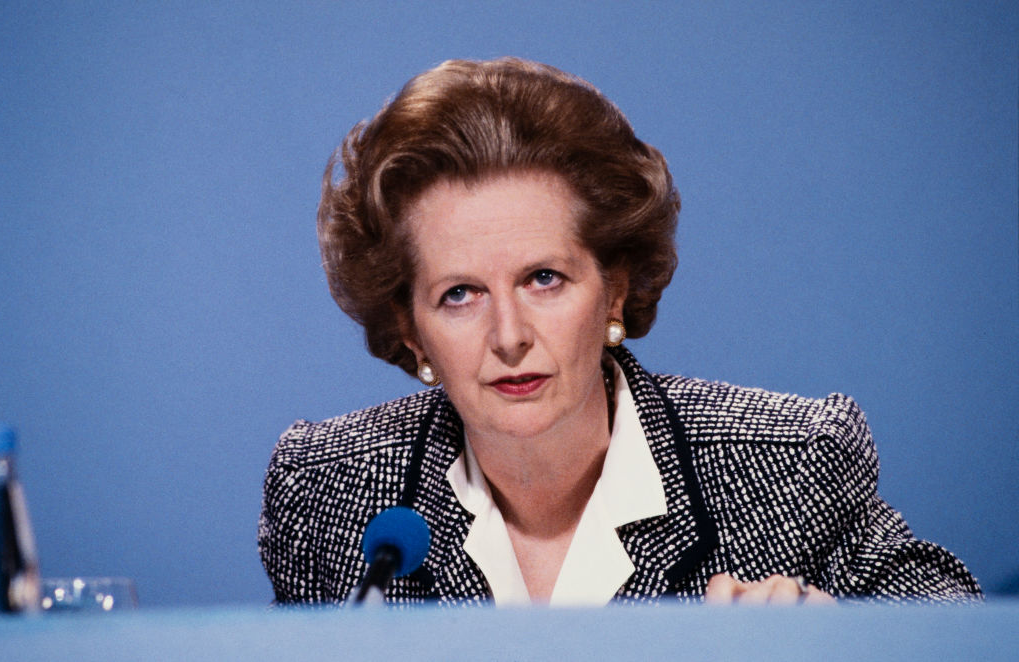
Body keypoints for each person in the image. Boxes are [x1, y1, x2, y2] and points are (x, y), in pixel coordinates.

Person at [258, 57, 981, 606]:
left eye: (545, 278)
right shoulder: (330, 492)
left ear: (615, 290)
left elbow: (956, 627)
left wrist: (841, 639)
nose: (509, 335)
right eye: (459, 295)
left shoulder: (790, 463)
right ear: (409, 331)